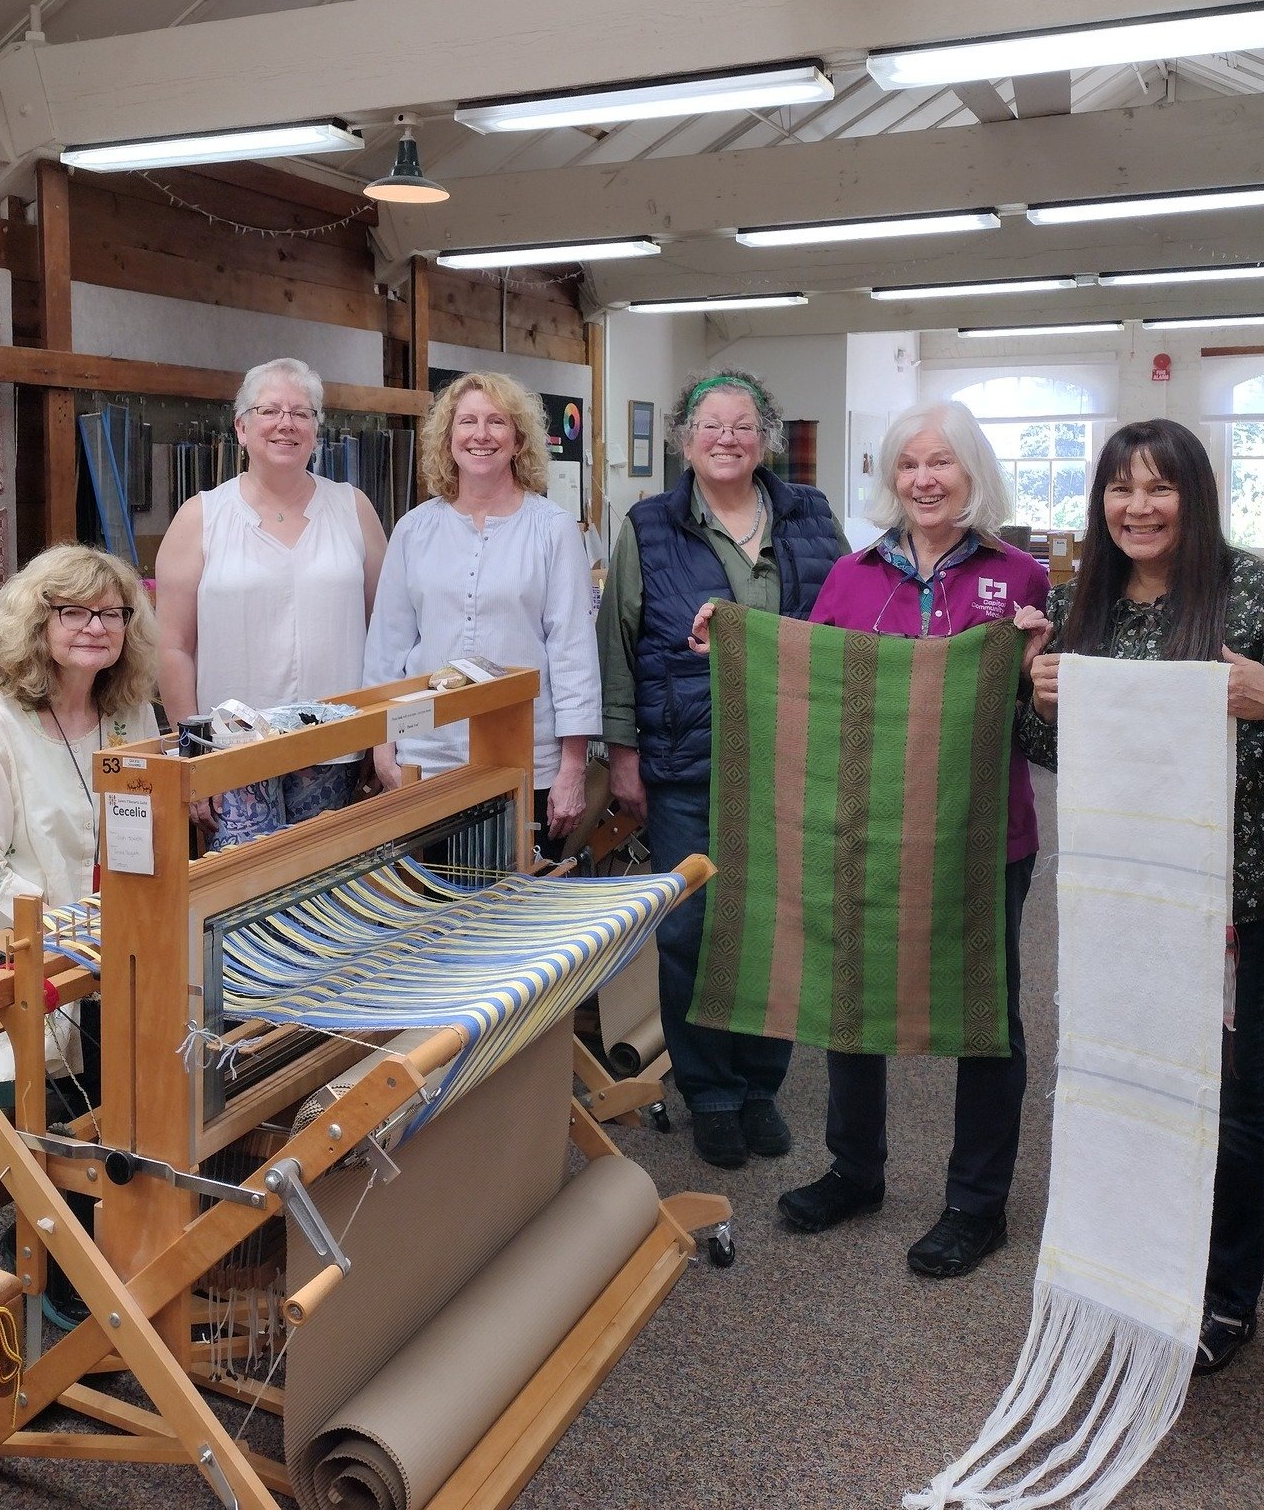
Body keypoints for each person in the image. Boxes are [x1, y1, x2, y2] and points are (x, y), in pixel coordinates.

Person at [1016, 418, 1264, 1372]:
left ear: (1195, 495)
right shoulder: (1084, 600)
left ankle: (1224, 1298)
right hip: (1123, 897)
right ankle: (1137, 1262)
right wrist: (1039, 697)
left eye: (1159, 488)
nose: (1138, 508)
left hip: (1238, 897)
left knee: (1225, 1091)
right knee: (1124, 1074)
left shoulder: (1261, 594)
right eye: (1120, 490)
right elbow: (1064, 757)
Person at [774, 402, 1048, 1277]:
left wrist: (1040, 674)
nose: (924, 480)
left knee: (984, 1014)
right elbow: (809, 689)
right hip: (869, 828)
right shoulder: (853, 578)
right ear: (890, 478)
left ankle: (977, 1204)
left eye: (942, 463)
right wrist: (728, 644)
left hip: (982, 833)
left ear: (973, 472)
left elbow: (1045, 731)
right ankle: (856, 1171)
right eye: (908, 465)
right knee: (852, 997)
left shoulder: (1022, 579)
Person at [597, 369, 843, 1169]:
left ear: (765, 437)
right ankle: (709, 1089)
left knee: (776, 923)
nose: (727, 439)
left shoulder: (809, 515)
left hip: (791, 754)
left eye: (743, 426)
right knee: (692, 928)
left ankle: (760, 1083)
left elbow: (842, 627)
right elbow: (620, 646)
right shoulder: (648, 525)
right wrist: (624, 753)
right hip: (687, 757)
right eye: (711, 426)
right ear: (683, 440)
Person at [0, 543, 159, 1096]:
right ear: (36, 623)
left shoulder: (132, 715)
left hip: (116, 956)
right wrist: (75, 934)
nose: (95, 627)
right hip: (13, 970)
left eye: (111, 613)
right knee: (65, 1109)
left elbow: (147, 833)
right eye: (73, 612)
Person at [364, 372, 600, 852]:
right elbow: (387, 647)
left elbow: (573, 651)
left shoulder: (552, 530)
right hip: (427, 756)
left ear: (518, 440)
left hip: (527, 757)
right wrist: (382, 747)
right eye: (467, 421)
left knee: (518, 914)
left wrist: (573, 767)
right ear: (448, 439)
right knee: (433, 911)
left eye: (497, 422)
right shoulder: (413, 530)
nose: (481, 434)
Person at [156, 357, 387, 848]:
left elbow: (384, 631)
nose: (287, 423)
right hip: (232, 754)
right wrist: (193, 756)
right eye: (270, 411)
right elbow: (172, 647)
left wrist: (380, 734)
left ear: (317, 430)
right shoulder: (200, 517)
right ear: (241, 427)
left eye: (302, 413)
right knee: (245, 904)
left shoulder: (353, 508)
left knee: (328, 895)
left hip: (335, 746)